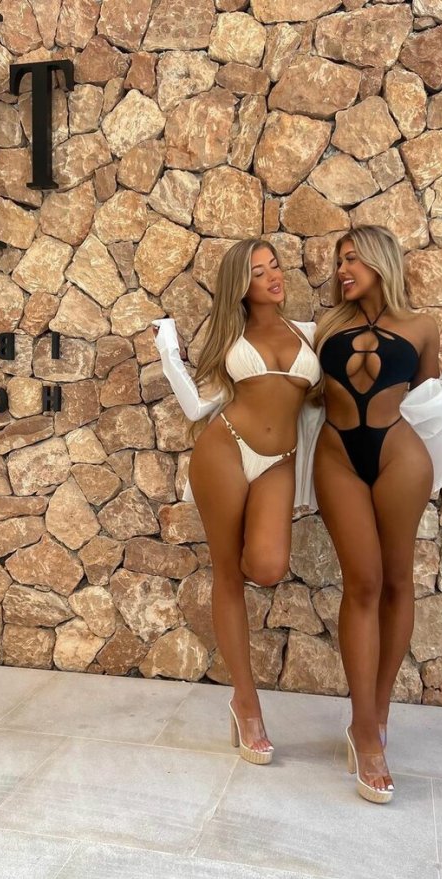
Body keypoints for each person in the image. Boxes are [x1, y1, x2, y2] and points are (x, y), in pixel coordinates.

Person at [312, 225, 442, 804]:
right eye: (339, 261)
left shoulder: (421, 326)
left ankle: (377, 716)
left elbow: (429, 399)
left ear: (380, 261)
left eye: (352, 258)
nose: (343, 269)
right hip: (337, 456)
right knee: (362, 582)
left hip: (400, 456)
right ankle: (364, 730)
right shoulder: (325, 326)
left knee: (397, 581)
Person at [153, 239, 321, 765]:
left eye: (275, 266)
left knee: (267, 566)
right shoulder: (231, 336)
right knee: (227, 573)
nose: (272, 276)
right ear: (241, 286)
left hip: (279, 461)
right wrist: (167, 348)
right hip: (225, 449)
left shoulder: (312, 334)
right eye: (258, 272)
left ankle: (239, 562)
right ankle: (246, 705)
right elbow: (195, 404)